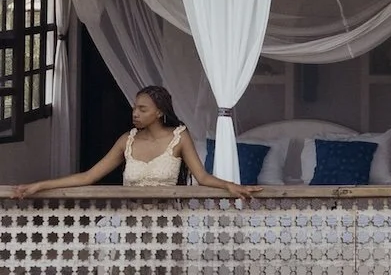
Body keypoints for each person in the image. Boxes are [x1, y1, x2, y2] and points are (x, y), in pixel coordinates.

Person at [12, 85, 260, 200]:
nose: (135, 114)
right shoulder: (126, 141)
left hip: (166, 222)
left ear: (159, 112)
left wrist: (231, 186)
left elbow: (203, 178)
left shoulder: (179, 137)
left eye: (142, 109)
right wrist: (39, 185)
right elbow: (88, 177)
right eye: (134, 108)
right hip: (129, 218)